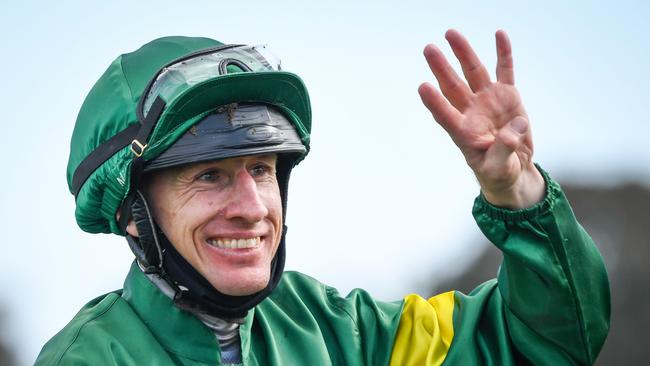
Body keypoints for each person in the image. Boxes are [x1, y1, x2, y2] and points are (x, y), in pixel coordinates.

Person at [36, 30, 609, 365]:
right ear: (131, 214)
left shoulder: (340, 330)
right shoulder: (92, 358)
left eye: (260, 169)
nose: (253, 206)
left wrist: (516, 193)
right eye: (208, 175)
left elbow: (538, 343)